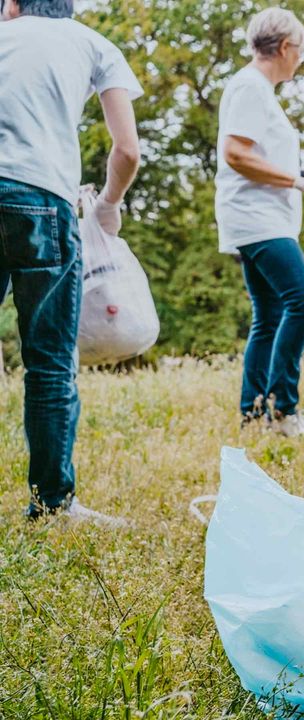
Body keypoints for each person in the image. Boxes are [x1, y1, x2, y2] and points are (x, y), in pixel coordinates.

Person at [0, 0, 141, 524]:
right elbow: (126, 150)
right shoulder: (93, 44)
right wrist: (106, 206)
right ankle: (52, 504)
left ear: (14, 5)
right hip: (42, 198)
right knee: (50, 363)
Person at [215, 7, 304, 438]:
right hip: (258, 221)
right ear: (287, 47)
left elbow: (259, 154)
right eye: (302, 50)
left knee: (269, 314)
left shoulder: (256, 89)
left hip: (260, 218)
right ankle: (282, 410)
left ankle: (253, 413)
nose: (302, 59)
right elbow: (236, 154)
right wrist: (297, 182)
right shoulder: (252, 87)